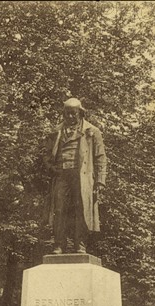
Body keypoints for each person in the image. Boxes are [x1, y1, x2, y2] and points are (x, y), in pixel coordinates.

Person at [44, 98, 106, 254]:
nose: (70, 117)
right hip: (62, 175)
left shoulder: (92, 131)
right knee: (59, 209)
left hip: (82, 177)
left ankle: (81, 244)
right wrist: (51, 168)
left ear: (80, 113)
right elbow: (46, 155)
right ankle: (59, 244)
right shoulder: (56, 131)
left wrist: (100, 181)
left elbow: (100, 157)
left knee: (81, 209)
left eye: (73, 114)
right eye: (67, 114)